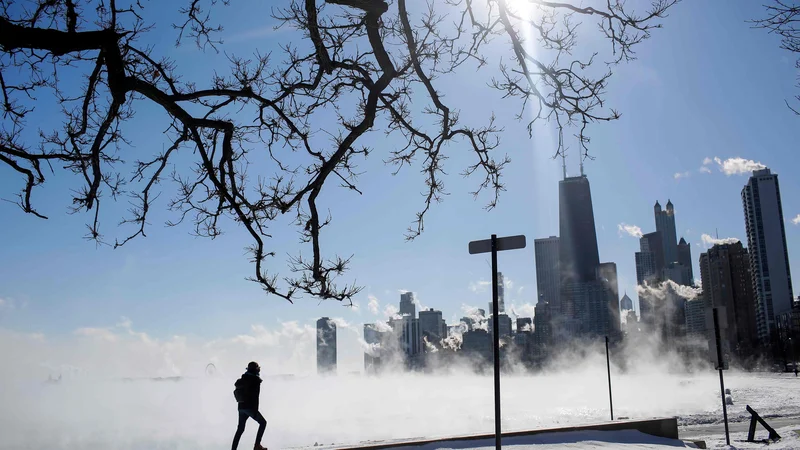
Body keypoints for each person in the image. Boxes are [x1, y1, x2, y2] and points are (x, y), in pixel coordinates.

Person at [231, 361, 268, 450]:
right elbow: (255, 396)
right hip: (250, 407)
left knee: (240, 429)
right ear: (256, 370)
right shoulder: (255, 380)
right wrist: (255, 410)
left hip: (241, 407)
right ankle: (257, 445)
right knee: (263, 423)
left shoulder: (242, 379)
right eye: (258, 368)